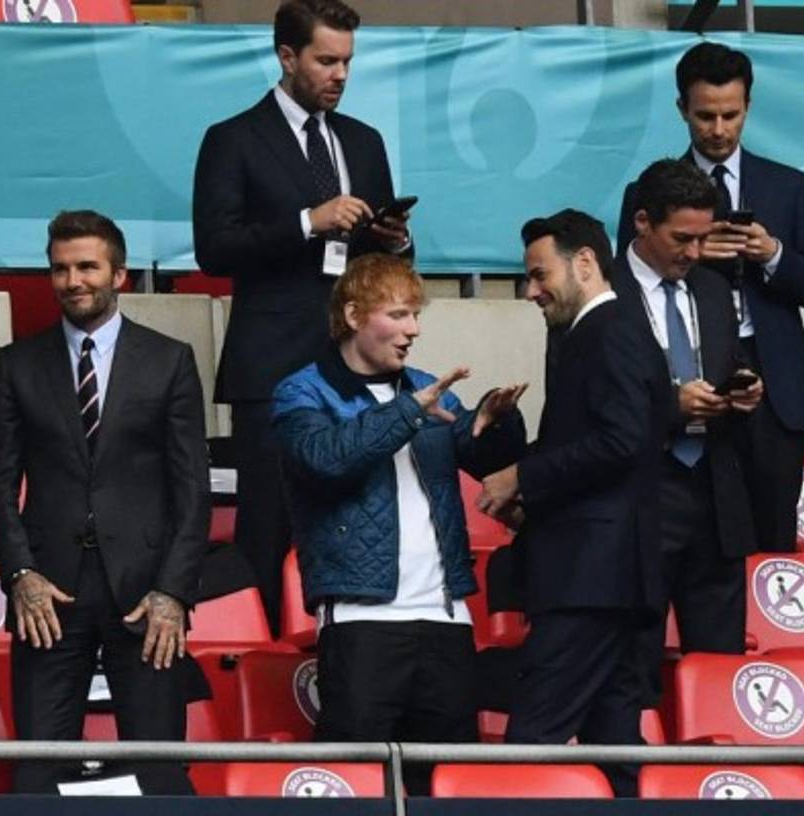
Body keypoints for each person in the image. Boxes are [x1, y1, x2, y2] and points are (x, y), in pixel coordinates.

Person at [193, 0, 412, 633]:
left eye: (347, 62)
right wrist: (306, 222)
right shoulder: (233, 139)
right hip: (273, 365)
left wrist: (395, 240)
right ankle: (263, 659)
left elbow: (384, 262)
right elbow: (214, 249)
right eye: (326, 60)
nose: (340, 74)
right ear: (287, 57)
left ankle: (353, 646)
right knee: (268, 524)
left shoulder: (363, 141)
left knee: (359, 516)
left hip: (357, 365)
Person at [271, 253, 526, 794]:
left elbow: (480, 457)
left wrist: (495, 422)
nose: (413, 330)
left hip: (446, 617)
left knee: (448, 784)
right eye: (398, 315)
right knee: (358, 782)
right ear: (353, 315)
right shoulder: (303, 391)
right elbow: (325, 460)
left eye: (415, 315)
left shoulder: (427, 387)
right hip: (361, 618)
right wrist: (409, 411)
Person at [0, 210, 210, 794]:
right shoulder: (15, 363)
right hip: (47, 595)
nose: (72, 281)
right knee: (39, 763)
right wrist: (20, 574)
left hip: (146, 593)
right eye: (60, 269)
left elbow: (192, 491)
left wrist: (173, 591)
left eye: (87, 267)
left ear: (120, 275)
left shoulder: (170, 359)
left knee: (157, 763)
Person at [615, 42, 804, 553]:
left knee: (775, 541)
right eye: (705, 116)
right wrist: (695, 257)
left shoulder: (788, 186)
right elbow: (627, 288)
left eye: (731, 115)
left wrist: (773, 254)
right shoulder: (647, 193)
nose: (718, 129)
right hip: (687, 372)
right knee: (688, 538)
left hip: (775, 386)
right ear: (682, 109)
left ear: (748, 107)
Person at [477, 209, 669, 798]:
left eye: (540, 275)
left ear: (584, 262)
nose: (531, 291)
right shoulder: (601, 331)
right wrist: (527, 491)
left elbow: (621, 440)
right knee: (615, 749)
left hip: (590, 579)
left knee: (530, 745)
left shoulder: (609, 331)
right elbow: (598, 446)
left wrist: (522, 476)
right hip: (608, 576)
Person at [614, 159, 764, 703]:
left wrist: (744, 390)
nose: (695, 252)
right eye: (682, 238)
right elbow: (581, 402)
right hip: (638, 495)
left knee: (721, 669)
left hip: (715, 497)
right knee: (631, 670)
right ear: (643, 222)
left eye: (703, 239)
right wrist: (669, 406)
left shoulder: (712, 288)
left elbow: (729, 360)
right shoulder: (602, 293)